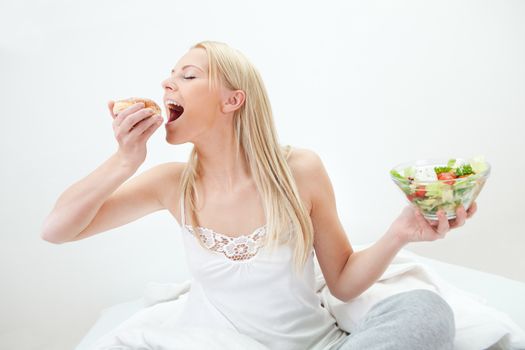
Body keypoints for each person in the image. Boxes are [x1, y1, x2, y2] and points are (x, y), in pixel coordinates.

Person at [41, 40, 477, 350]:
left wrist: (400, 232)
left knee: (425, 310)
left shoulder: (299, 170)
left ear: (233, 100)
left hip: (313, 342)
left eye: (187, 75)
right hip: (214, 342)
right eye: (169, 76)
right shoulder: (171, 184)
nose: (167, 83)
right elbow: (57, 230)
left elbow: (342, 282)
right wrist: (125, 160)